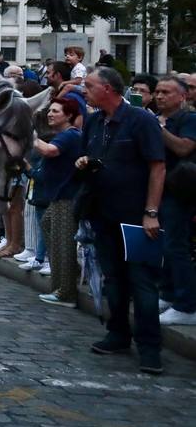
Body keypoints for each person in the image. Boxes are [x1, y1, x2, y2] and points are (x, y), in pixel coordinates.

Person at [77, 67, 167, 374]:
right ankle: (118, 333)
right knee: (112, 278)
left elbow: (158, 167)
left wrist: (151, 212)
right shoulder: (93, 121)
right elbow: (88, 157)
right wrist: (85, 163)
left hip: (137, 219)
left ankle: (150, 347)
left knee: (142, 283)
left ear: (108, 89)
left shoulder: (141, 120)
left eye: (89, 86)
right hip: (102, 213)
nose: (83, 91)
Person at [33, 96, 84, 305]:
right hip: (59, 195)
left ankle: (66, 292)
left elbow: (49, 151)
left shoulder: (70, 135)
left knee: (64, 242)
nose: (50, 114)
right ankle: (61, 283)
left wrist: (28, 136)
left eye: (55, 111)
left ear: (69, 116)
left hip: (67, 196)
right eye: (50, 110)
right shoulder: (63, 135)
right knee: (48, 228)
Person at [154, 75, 196, 326]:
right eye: (158, 91)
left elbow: (183, 148)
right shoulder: (162, 119)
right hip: (162, 189)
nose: (159, 96)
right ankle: (168, 293)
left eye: (166, 92)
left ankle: (187, 304)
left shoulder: (189, 119)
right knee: (165, 245)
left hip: (180, 192)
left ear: (182, 96)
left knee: (175, 246)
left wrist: (158, 129)